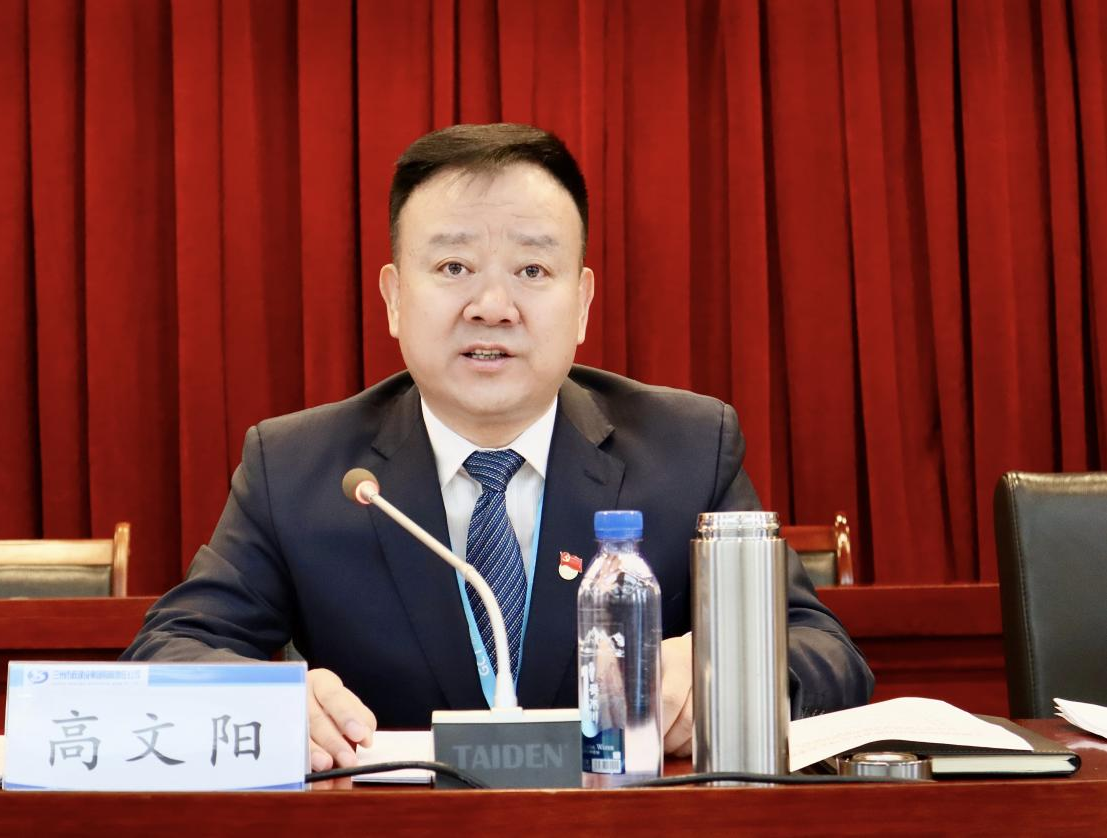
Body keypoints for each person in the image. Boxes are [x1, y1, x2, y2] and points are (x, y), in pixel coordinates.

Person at [123, 123, 874, 773]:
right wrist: (270, 702)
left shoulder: (686, 449)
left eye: (532, 270)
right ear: (394, 298)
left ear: (581, 303)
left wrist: (719, 674)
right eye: (453, 268)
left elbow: (823, 652)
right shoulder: (295, 468)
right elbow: (171, 651)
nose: (491, 307)